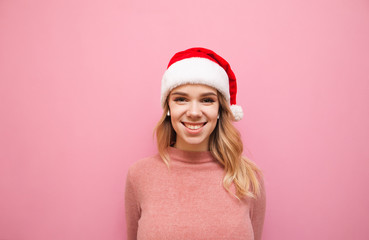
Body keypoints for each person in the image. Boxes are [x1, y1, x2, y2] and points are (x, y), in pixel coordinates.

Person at [125, 47, 266, 240]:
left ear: (220, 110)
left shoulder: (248, 177)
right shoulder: (139, 175)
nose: (193, 112)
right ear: (168, 107)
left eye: (207, 100)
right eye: (181, 99)